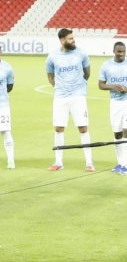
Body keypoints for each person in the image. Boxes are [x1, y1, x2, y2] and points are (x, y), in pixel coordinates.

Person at [46, 28, 93, 171]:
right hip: (60, 97)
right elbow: (50, 76)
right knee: (59, 128)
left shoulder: (82, 53)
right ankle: (58, 162)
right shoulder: (52, 57)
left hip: (78, 96)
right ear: (62, 40)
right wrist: (60, 87)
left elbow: (87, 73)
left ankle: (89, 163)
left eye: (73, 38)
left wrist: (78, 86)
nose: (74, 41)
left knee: (83, 128)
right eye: (70, 39)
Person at [97, 41, 127, 176]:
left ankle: (125, 165)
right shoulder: (106, 65)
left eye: (123, 52)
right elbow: (100, 85)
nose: (121, 54)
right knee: (117, 134)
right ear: (114, 51)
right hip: (115, 103)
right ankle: (119, 163)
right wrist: (113, 86)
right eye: (119, 52)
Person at [0, 46, 15, 168]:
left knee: (5, 131)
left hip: (2, 104)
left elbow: (10, 86)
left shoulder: (7, 67)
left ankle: (11, 161)